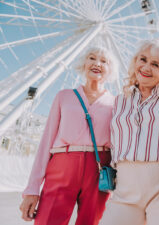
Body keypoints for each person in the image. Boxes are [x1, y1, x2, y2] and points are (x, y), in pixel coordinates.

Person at [19, 46, 119, 225]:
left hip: (99, 169)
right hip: (62, 164)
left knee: (90, 221)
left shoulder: (116, 103)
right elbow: (45, 143)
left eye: (104, 61)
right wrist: (32, 189)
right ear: (84, 63)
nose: (97, 63)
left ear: (111, 70)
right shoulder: (64, 96)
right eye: (92, 58)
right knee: (48, 220)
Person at [100, 39, 159, 225]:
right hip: (125, 188)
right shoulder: (119, 101)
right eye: (142, 59)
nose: (146, 67)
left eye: (155, 64)